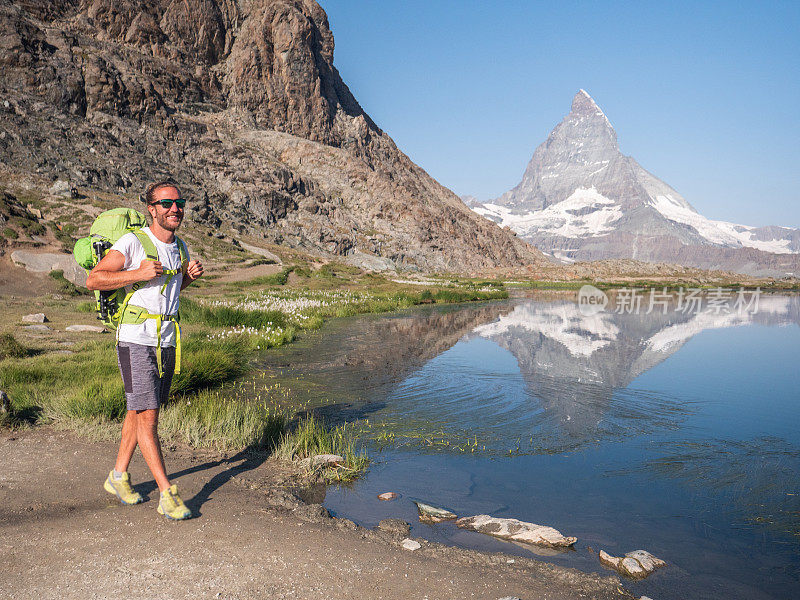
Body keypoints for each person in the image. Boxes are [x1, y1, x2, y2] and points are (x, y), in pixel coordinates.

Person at [86, 181, 204, 520]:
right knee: (148, 416)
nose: (174, 208)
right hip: (135, 338)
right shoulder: (134, 242)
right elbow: (94, 278)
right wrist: (135, 272)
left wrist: (189, 278)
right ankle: (168, 494)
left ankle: (118, 477)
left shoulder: (179, 247)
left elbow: (167, 291)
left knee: (137, 412)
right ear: (151, 209)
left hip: (166, 340)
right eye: (166, 203)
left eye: (179, 202)